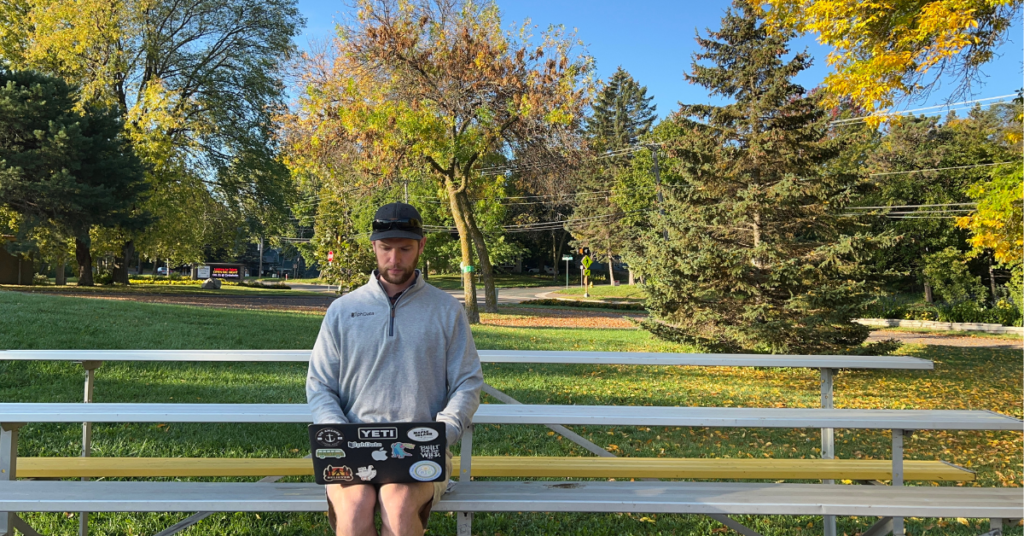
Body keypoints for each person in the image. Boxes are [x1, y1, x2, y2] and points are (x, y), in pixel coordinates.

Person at [306, 202, 483, 536]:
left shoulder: (446, 310)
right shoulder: (344, 310)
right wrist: (337, 433)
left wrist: (443, 432)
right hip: (351, 450)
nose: (394, 259)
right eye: (386, 248)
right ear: (373, 246)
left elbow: (467, 382)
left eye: (405, 248)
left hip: (421, 450)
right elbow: (320, 385)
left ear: (421, 245)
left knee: (398, 502)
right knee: (356, 505)